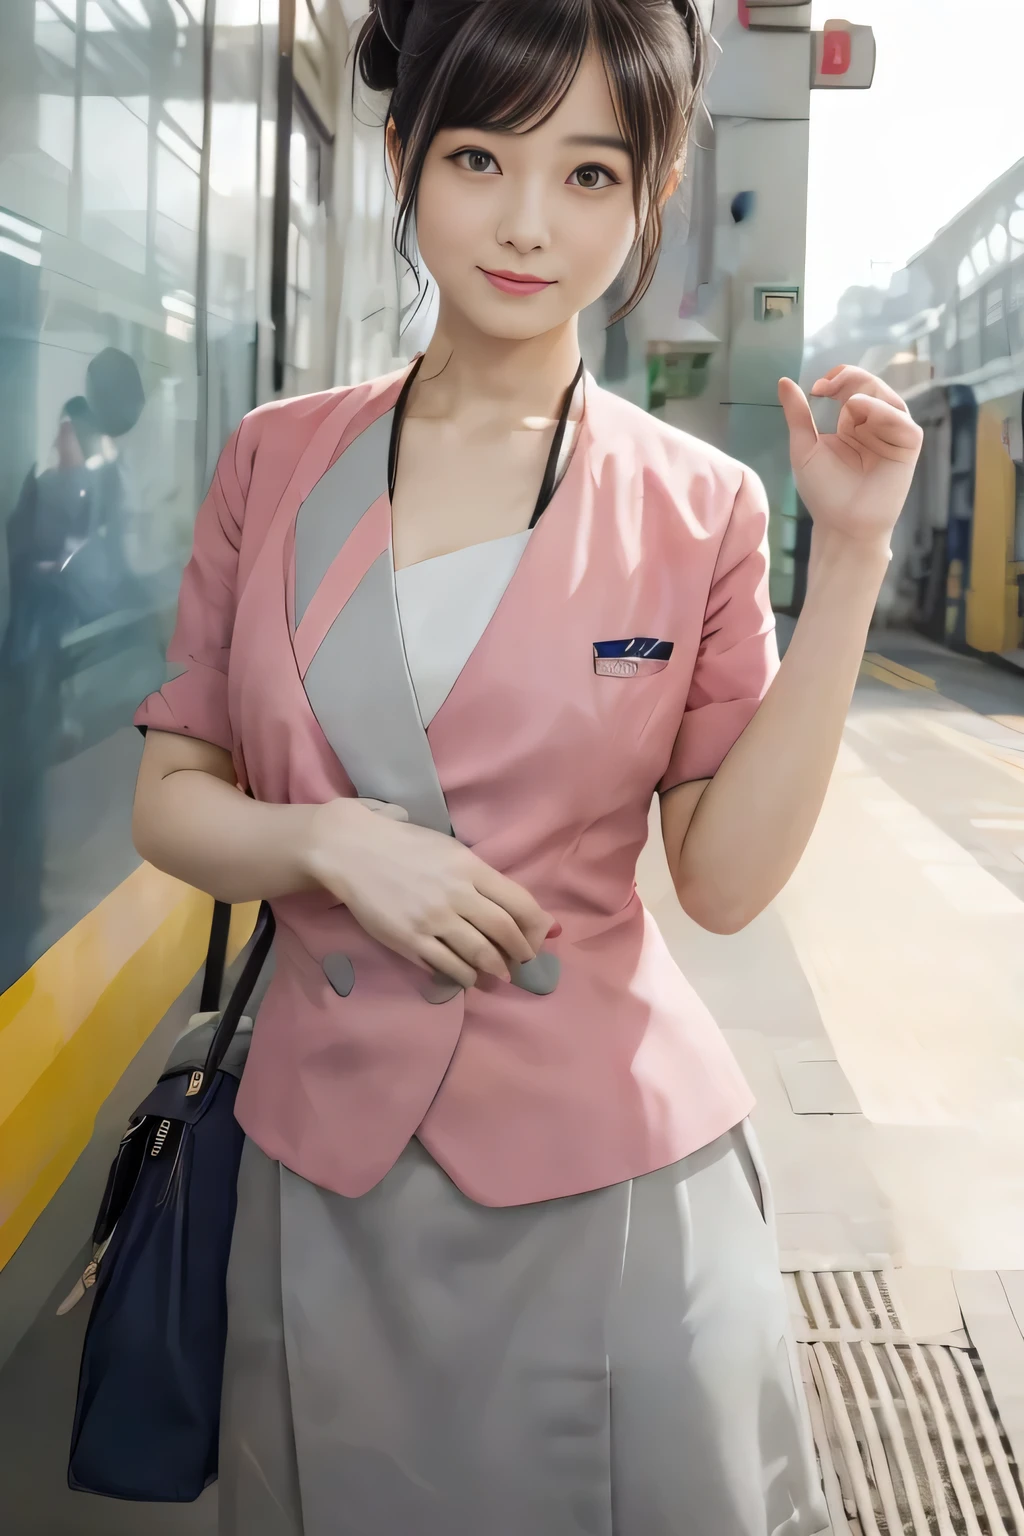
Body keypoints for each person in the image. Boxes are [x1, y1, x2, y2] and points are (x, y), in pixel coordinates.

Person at [131, 2, 922, 1532]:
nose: (525, 224)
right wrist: (330, 846)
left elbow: (727, 880)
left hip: (607, 1185)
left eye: (588, 176)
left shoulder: (701, 503)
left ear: (646, 202)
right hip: (323, 1174)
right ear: (402, 158)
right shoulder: (272, 460)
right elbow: (172, 798)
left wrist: (855, 562)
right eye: (482, 156)